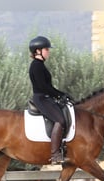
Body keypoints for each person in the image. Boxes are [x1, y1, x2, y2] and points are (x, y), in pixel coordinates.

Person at [28, 36, 70, 165]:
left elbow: (48, 87)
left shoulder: (40, 65)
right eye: (46, 49)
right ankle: (55, 154)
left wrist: (62, 94)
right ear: (38, 51)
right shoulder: (36, 66)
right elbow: (43, 87)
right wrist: (59, 95)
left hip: (45, 97)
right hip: (41, 98)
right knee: (60, 120)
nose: (48, 51)